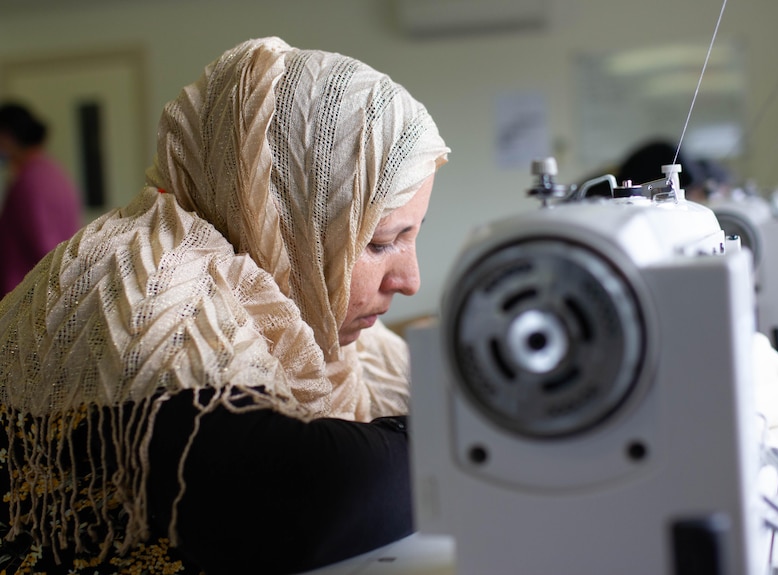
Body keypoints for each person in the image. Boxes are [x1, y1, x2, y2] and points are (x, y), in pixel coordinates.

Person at [0, 37, 449, 574]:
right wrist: (457, 439)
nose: (410, 280)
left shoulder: (316, 321)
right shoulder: (137, 284)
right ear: (287, 214)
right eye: (379, 243)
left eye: (411, 236)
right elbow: (305, 499)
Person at [0, 102, 82, 297]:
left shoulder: (30, 181)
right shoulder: (52, 172)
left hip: (30, 297)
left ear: (8, 136)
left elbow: (46, 249)